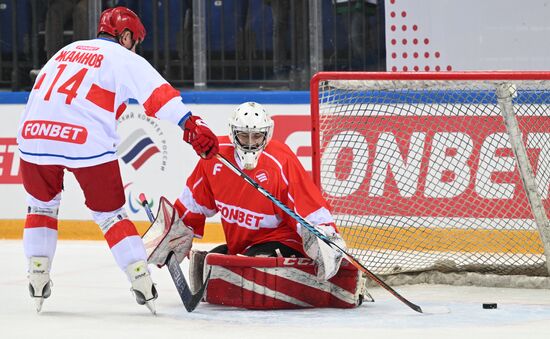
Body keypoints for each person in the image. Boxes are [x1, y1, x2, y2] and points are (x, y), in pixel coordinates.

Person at [17, 6, 219, 314]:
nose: (136, 47)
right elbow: (160, 96)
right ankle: (140, 279)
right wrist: (191, 125)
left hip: (33, 135)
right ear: (125, 36)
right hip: (84, 142)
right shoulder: (123, 58)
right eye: (135, 40)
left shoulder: (65, 50)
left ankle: (38, 276)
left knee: (42, 206)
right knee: (110, 215)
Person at [172, 102, 346, 282]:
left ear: (266, 134)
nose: (250, 143)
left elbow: (307, 204)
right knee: (209, 266)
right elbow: (193, 201)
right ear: (233, 133)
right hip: (242, 247)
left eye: (256, 136)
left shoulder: (280, 161)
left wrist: (326, 238)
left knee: (253, 267)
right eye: (243, 136)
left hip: (282, 241)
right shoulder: (216, 157)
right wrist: (178, 230)